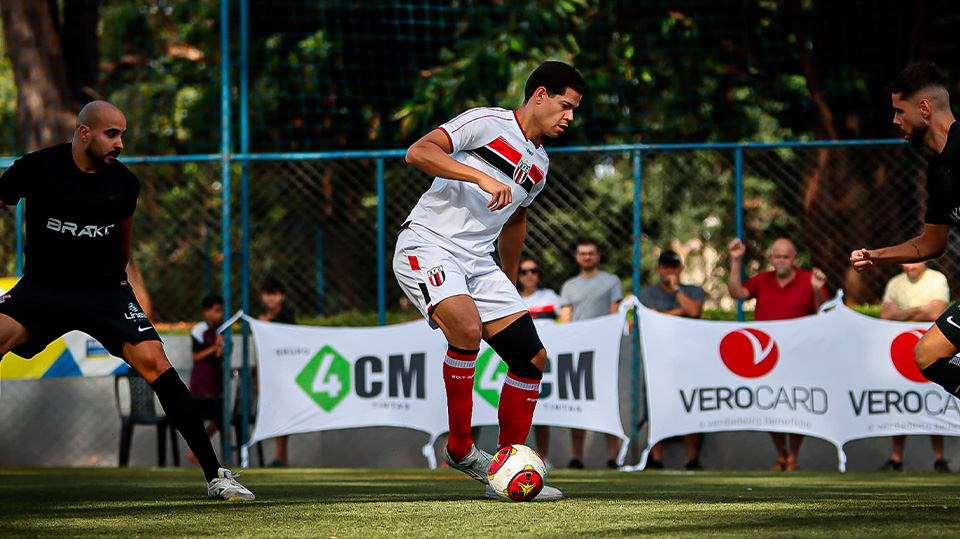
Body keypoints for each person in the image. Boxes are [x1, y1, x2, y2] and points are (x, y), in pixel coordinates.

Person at [0, 101, 252, 500]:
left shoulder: (124, 184)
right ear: (84, 132)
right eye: (111, 134)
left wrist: (116, 293)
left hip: (104, 292)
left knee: (158, 364)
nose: (120, 143)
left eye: (122, 135)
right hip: (43, 289)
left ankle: (216, 476)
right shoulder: (38, 167)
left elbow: (123, 248)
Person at [393, 61, 586, 501]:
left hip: (479, 263)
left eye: (574, 109)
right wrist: (479, 175)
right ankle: (460, 449)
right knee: (466, 329)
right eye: (564, 105)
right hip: (428, 243)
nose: (569, 117)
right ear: (539, 95)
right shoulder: (487, 122)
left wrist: (510, 282)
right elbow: (418, 152)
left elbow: (515, 220)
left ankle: (505, 470)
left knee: (531, 358)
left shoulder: (541, 164)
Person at [851, 62, 960, 459]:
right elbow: (932, 243)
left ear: (924, 109)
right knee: (927, 354)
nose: (896, 121)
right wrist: (875, 256)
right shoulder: (939, 169)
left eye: (900, 111)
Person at [728, 237, 827, 471]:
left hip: (800, 355)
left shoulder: (809, 279)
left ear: (794, 258)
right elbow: (737, 293)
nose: (781, 261)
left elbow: (824, 310)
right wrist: (735, 261)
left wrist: (817, 289)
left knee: (797, 404)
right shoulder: (762, 280)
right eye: (777, 256)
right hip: (769, 356)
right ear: (771, 258)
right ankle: (781, 456)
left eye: (786, 256)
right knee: (771, 404)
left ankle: (793, 457)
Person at [877, 262, 951, 472]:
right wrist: (922, 309)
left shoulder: (937, 279)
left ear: (925, 260)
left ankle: (939, 458)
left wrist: (900, 313)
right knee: (901, 402)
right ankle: (896, 458)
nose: (909, 266)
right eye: (906, 262)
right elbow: (885, 315)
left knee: (934, 401)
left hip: (933, 351)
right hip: (902, 351)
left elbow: (937, 314)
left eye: (914, 261)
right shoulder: (895, 283)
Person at [559, 237, 624, 469]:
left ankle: (612, 457)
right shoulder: (568, 286)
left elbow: (615, 315)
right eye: (583, 253)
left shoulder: (611, 281)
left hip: (604, 351)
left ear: (598, 256)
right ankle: (576, 456)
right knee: (577, 403)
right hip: (577, 353)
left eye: (591, 253)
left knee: (607, 402)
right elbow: (566, 321)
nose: (587, 257)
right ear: (577, 257)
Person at [639, 249, 705, 470]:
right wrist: (679, 312)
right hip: (658, 360)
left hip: (688, 359)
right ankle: (656, 460)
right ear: (658, 269)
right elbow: (651, 319)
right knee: (656, 406)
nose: (669, 271)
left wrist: (676, 290)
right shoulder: (648, 293)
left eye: (674, 266)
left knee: (690, 405)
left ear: (681, 268)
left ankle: (692, 459)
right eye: (665, 266)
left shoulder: (693, 291)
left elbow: (693, 311)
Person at [516, 258, 562, 468]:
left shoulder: (551, 297)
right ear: (518, 275)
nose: (529, 275)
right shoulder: (512, 298)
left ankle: (542, 457)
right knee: (519, 411)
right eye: (524, 271)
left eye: (534, 271)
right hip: (517, 359)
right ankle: (515, 456)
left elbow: (567, 324)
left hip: (546, 363)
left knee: (542, 411)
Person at [258, 277, 295, 467]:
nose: (271, 298)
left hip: (285, 372)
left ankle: (281, 456)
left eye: (275, 294)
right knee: (274, 412)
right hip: (269, 372)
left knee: (283, 413)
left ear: (282, 296)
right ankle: (280, 457)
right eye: (267, 294)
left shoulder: (287, 316)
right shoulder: (261, 320)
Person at [186, 294, 227, 466]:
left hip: (215, 385)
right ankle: (197, 453)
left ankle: (197, 453)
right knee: (199, 420)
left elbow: (220, 355)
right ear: (206, 312)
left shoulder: (222, 331)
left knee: (220, 419)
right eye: (216, 311)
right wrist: (214, 347)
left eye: (222, 310)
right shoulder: (200, 330)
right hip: (201, 385)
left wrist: (220, 349)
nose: (220, 314)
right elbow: (196, 356)